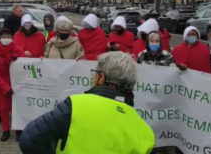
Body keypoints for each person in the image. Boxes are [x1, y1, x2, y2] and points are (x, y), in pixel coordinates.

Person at [19, 52, 155, 154]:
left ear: (101, 78)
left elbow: (29, 140)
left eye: (95, 74)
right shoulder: (144, 130)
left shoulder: (74, 106)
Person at [0, 28, 24, 141]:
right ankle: (5, 130)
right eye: (4, 37)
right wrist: (6, 87)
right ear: (0, 37)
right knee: (4, 110)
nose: (6, 39)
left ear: (12, 37)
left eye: (8, 36)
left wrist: (18, 60)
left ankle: (19, 130)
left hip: (17, 85)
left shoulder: (18, 50)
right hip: (3, 87)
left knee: (17, 109)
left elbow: (24, 68)